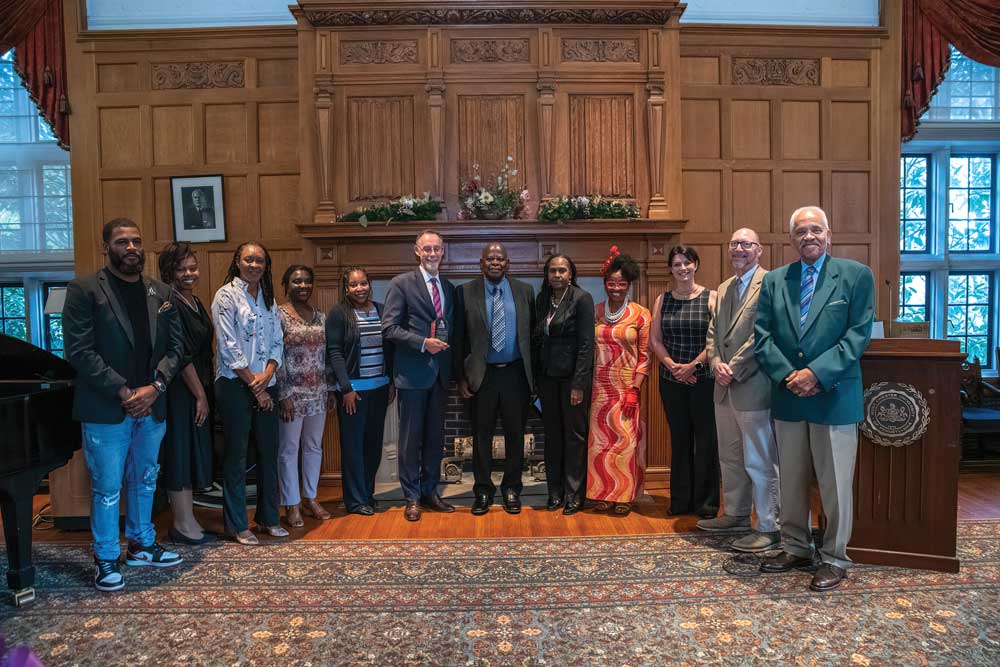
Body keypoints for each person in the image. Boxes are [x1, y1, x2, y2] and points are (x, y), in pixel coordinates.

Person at [754, 206, 874, 592]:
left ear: (829, 234)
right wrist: (790, 376)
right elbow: (763, 336)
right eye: (801, 232)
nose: (809, 237)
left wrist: (815, 374)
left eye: (815, 230)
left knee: (835, 483)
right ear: (791, 239)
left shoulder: (856, 276)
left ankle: (835, 556)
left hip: (834, 396)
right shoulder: (774, 281)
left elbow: (858, 334)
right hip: (789, 395)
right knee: (790, 478)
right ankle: (795, 547)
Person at [63, 218, 184, 592]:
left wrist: (156, 387)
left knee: (146, 479)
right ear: (106, 247)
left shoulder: (161, 292)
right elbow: (79, 351)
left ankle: (142, 544)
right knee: (108, 487)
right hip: (107, 409)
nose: (131, 248)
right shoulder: (84, 290)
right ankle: (105, 558)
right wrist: (125, 393)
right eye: (121, 242)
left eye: (136, 241)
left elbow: (177, 348)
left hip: (153, 404)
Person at [701, 228, 781, 553]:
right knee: (731, 458)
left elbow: (763, 334)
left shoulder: (770, 284)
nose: (739, 249)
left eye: (746, 244)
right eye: (734, 244)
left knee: (760, 460)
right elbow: (712, 334)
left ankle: (768, 526)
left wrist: (733, 366)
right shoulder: (722, 288)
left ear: (759, 250)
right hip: (723, 389)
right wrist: (716, 362)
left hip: (753, 386)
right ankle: (735, 514)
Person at [212, 242, 287, 545]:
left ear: (266, 266)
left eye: (260, 261)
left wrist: (267, 375)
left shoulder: (268, 298)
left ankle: (269, 518)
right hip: (233, 384)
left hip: (266, 383)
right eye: (249, 260)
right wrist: (256, 387)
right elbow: (228, 347)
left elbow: (277, 342)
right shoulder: (226, 296)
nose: (254, 265)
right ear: (237, 262)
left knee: (269, 451)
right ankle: (237, 524)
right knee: (237, 455)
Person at [454, 242, 536, 516]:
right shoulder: (465, 292)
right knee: (481, 436)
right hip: (482, 375)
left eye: (500, 259)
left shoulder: (525, 291)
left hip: (515, 374)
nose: (495, 263)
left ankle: (512, 488)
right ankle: (483, 491)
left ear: (507, 263)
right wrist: (460, 378)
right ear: (481, 262)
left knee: (515, 435)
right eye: (490, 258)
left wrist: (533, 379)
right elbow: (458, 339)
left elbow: (532, 338)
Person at [383, 229, 456, 522]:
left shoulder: (448, 287)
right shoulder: (401, 284)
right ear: (417, 251)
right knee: (411, 440)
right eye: (426, 249)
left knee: (435, 438)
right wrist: (423, 343)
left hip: (439, 376)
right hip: (412, 376)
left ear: (443, 252)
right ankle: (411, 497)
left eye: (436, 249)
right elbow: (389, 328)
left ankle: (429, 492)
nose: (432, 254)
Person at [650, 246, 720, 518]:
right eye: (677, 263)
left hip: (703, 380)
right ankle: (680, 501)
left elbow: (716, 339)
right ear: (670, 268)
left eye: (687, 263)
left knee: (705, 441)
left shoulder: (711, 297)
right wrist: (673, 366)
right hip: (671, 381)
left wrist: (692, 366)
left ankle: (707, 504)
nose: (682, 268)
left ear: (696, 265)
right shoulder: (662, 299)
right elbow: (655, 340)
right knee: (679, 441)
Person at [586, 248, 651, 516]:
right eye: (611, 283)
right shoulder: (596, 311)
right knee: (599, 444)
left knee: (625, 444)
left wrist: (635, 388)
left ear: (629, 285)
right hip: (599, 388)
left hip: (626, 388)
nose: (616, 288)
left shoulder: (641, 314)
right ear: (605, 284)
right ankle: (602, 494)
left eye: (621, 284)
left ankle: (624, 495)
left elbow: (645, 356)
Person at [158, 242, 215, 545]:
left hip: (199, 386)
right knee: (180, 450)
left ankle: (189, 520)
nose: (189, 273)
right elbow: (180, 356)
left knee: (193, 450)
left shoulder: (194, 300)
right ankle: (181, 524)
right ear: (169, 272)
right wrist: (200, 395)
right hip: (182, 391)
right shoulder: (170, 303)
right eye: (182, 269)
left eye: (192, 267)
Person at [327, 266, 394, 516]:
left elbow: (389, 349)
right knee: (353, 446)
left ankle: (367, 494)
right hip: (352, 391)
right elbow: (334, 352)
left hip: (379, 388)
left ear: (370, 284)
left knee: (372, 446)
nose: (359, 289)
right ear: (346, 288)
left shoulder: (381, 310)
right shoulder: (339, 313)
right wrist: (345, 388)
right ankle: (355, 501)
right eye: (354, 285)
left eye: (363, 283)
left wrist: (390, 383)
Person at [533, 254, 594, 515]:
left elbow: (586, 345)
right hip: (547, 380)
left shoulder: (581, 299)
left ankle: (574, 494)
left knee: (574, 438)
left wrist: (579, 384)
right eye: (553, 271)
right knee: (553, 437)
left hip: (572, 381)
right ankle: (554, 493)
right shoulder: (543, 299)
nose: (557, 275)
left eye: (562, 271)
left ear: (571, 274)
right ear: (547, 275)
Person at [276, 265, 331, 527]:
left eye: (307, 281)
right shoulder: (279, 316)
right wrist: (283, 394)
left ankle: (310, 497)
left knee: (313, 447)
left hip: (318, 393)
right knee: (288, 450)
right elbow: (275, 357)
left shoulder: (320, 316)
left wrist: (329, 389)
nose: (303, 286)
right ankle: (292, 503)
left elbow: (326, 355)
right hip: (291, 394)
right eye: (297, 281)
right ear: (286, 284)